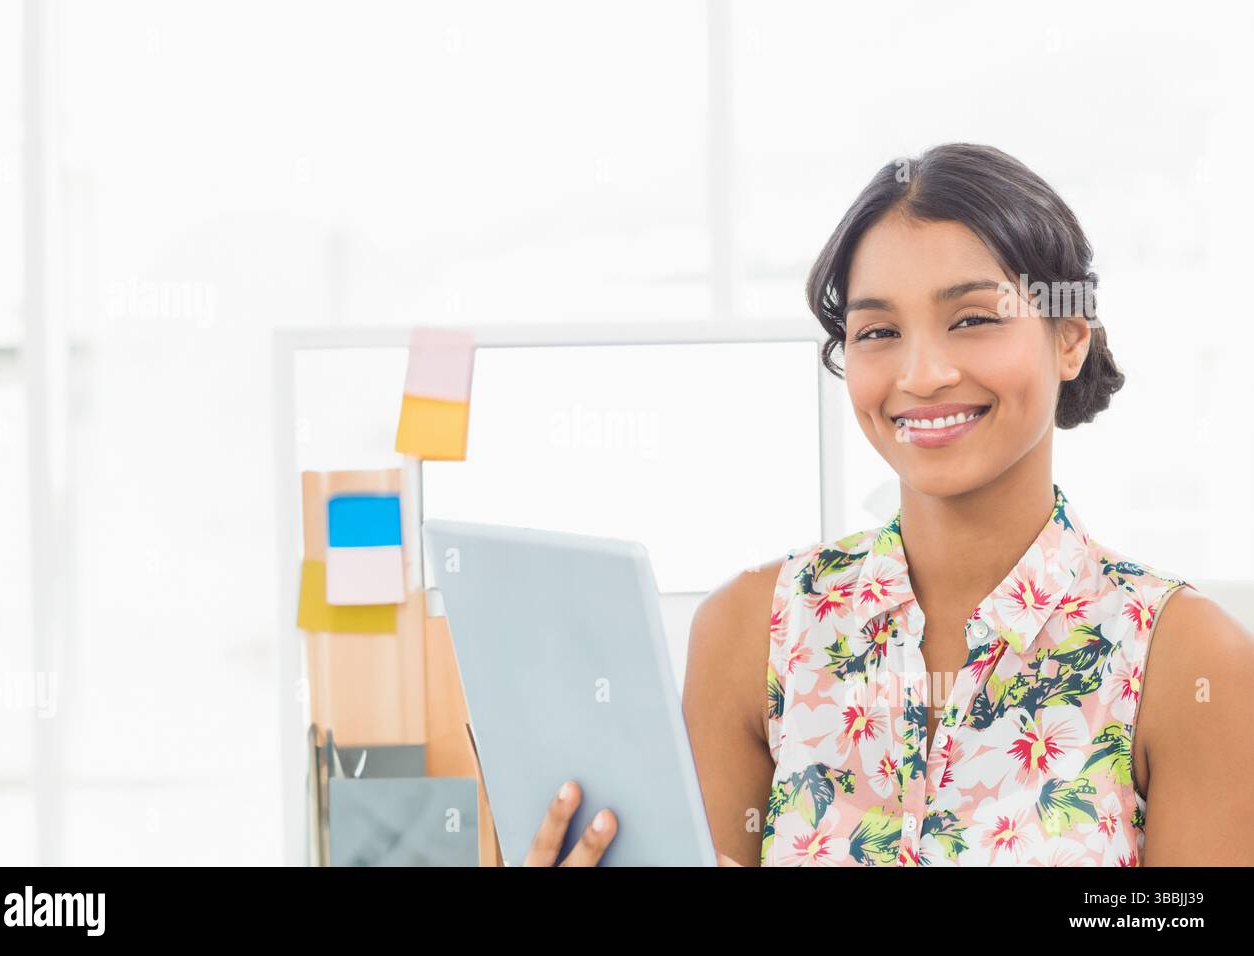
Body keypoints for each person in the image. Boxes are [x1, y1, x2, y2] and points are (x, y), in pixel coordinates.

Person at [520, 143, 1254, 867]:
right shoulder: (748, 634)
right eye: (878, 332)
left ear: (1068, 338)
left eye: (972, 319)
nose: (923, 374)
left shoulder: (1188, 658)